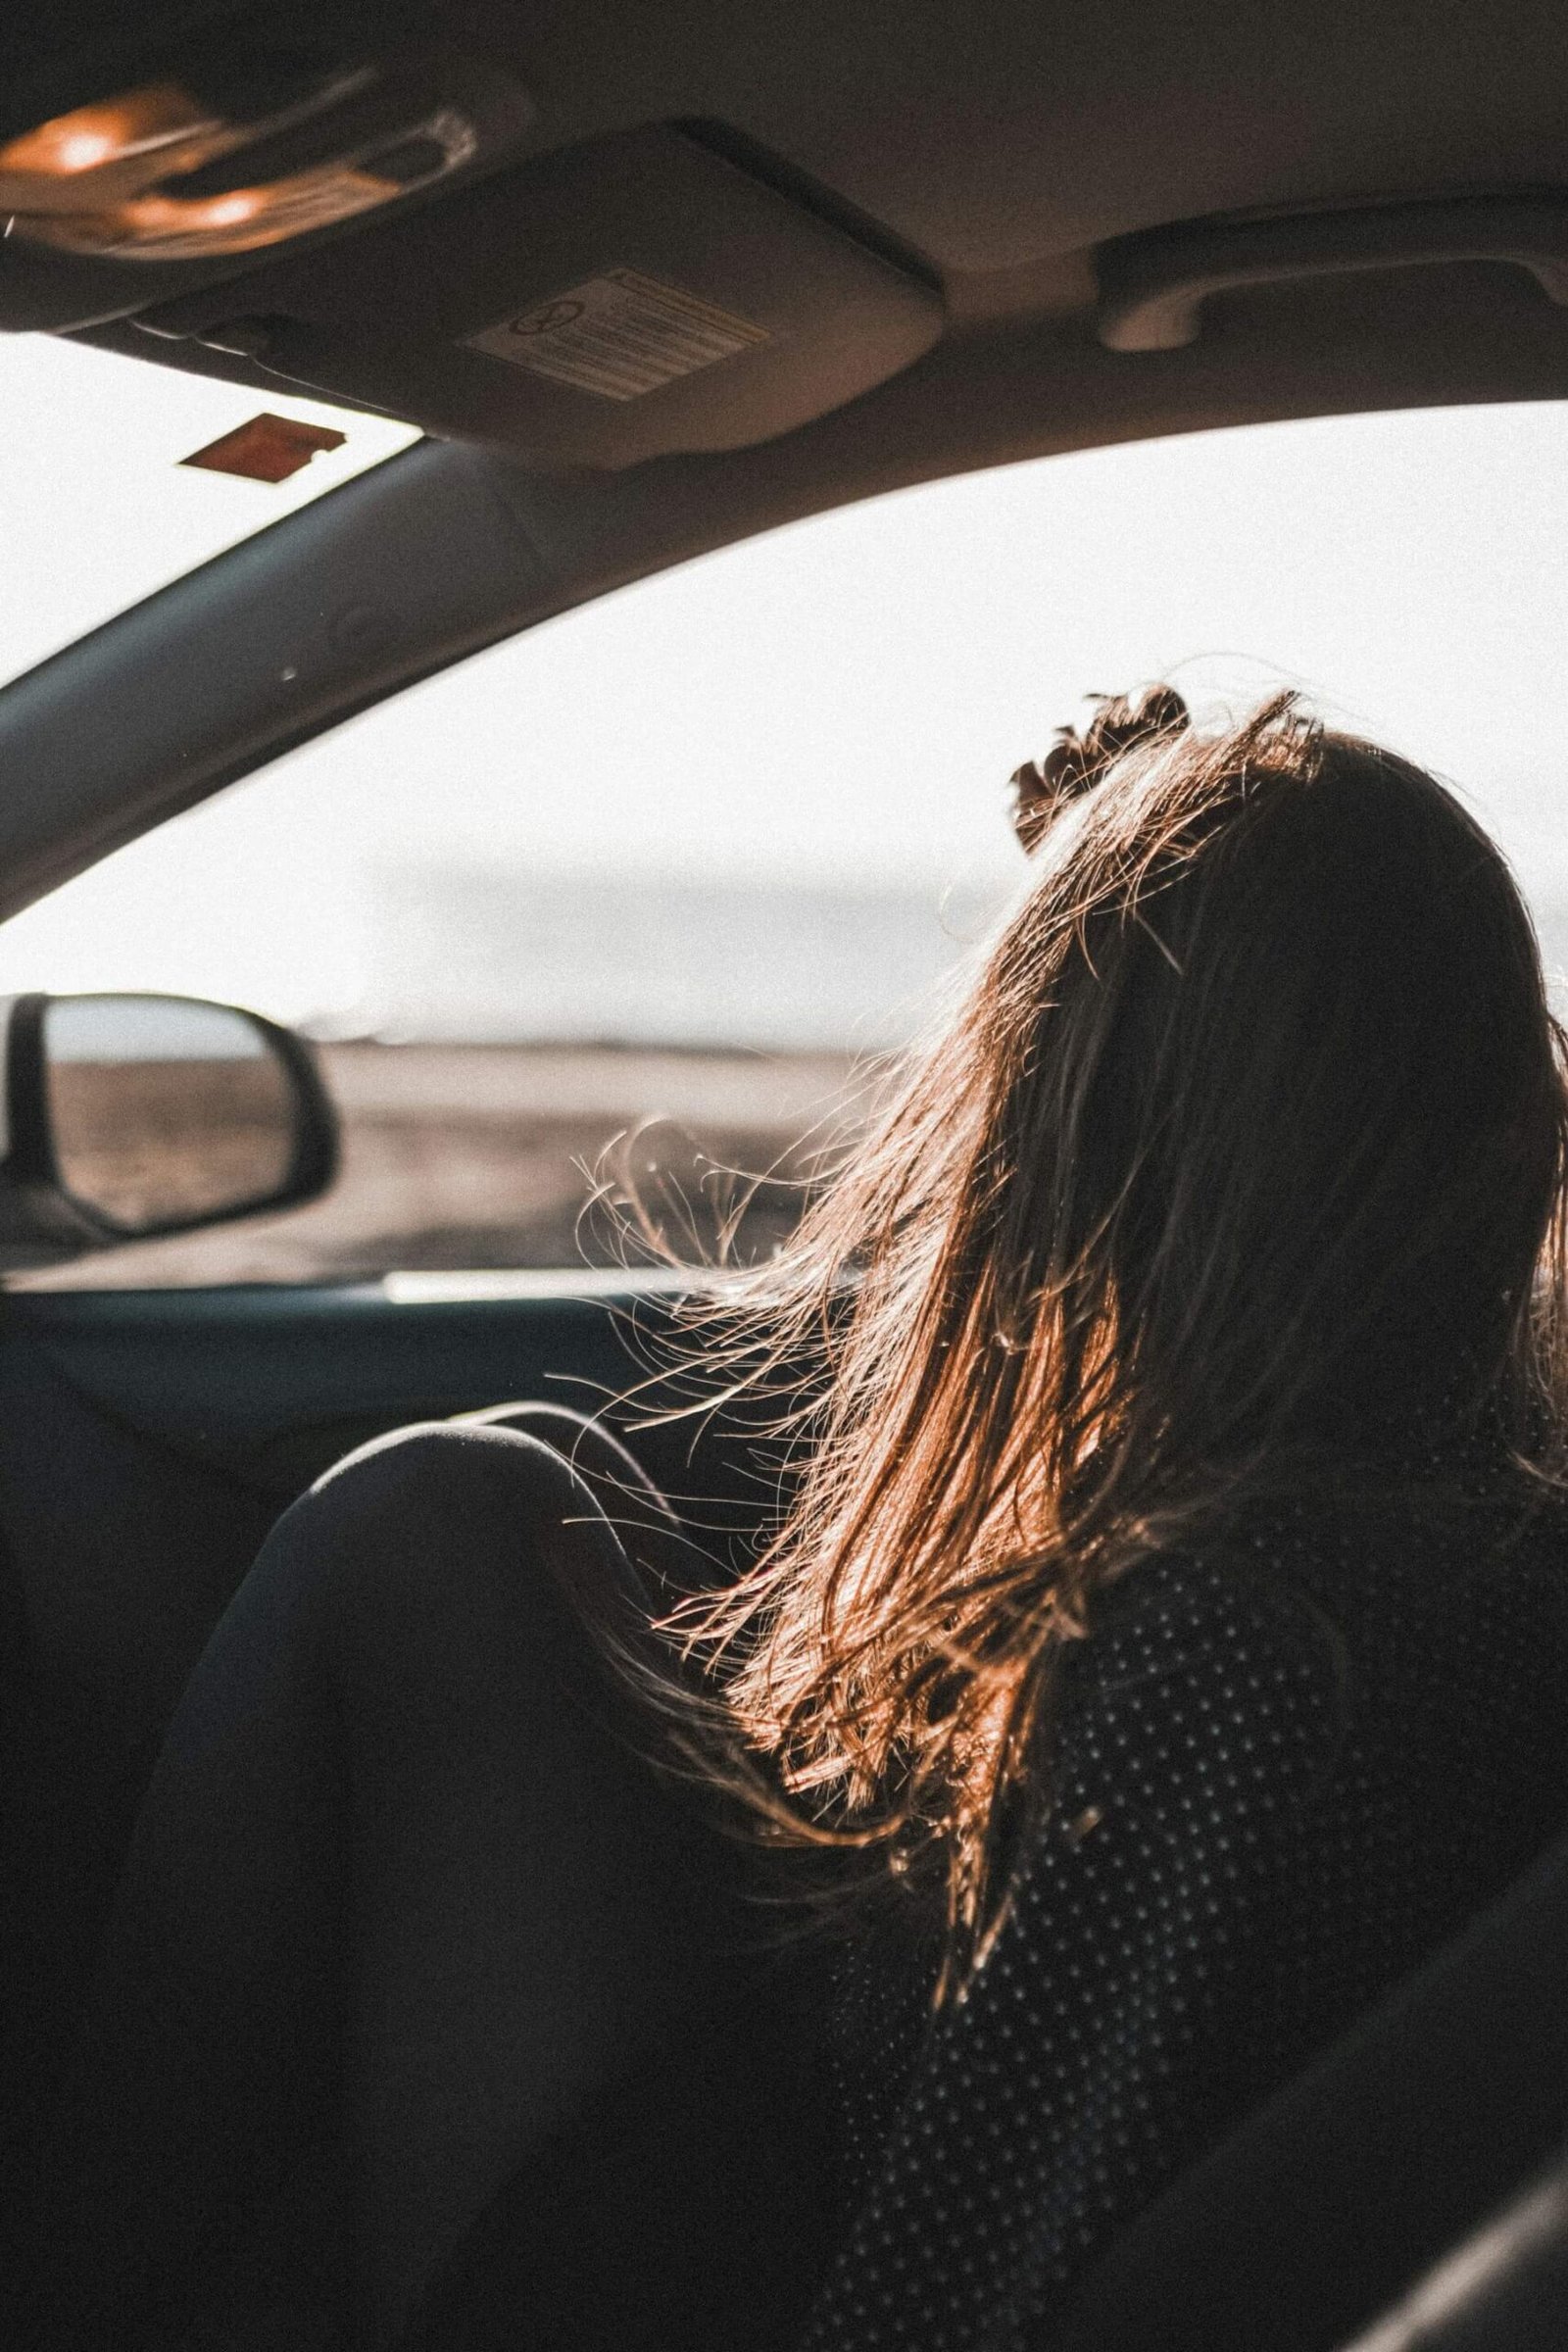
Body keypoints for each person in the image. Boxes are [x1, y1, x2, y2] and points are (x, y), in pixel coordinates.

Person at [22, 687, 1568, 2352]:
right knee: (520, 1488)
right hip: (821, 2150)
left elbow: (965, 2269)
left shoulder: (1246, 1643)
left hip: (804, 2274)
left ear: (1067, 1147)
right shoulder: (1444, 1540)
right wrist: (1131, 893)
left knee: (436, 1521)